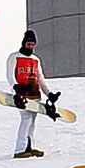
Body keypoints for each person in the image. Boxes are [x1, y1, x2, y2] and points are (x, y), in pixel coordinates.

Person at [5, 29, 61, 158]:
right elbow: (10, 75)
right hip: (21, 94)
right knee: (26, 119)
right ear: (23, 43)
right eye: (28, 44)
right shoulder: (15, 57)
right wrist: (16, 88)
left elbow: (40, 77)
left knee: (32, 121)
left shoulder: (35, 59)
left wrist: (49, 94)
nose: (30, 47)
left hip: (34, 94)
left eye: (32, 44)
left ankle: (29, 146)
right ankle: (20, 148)